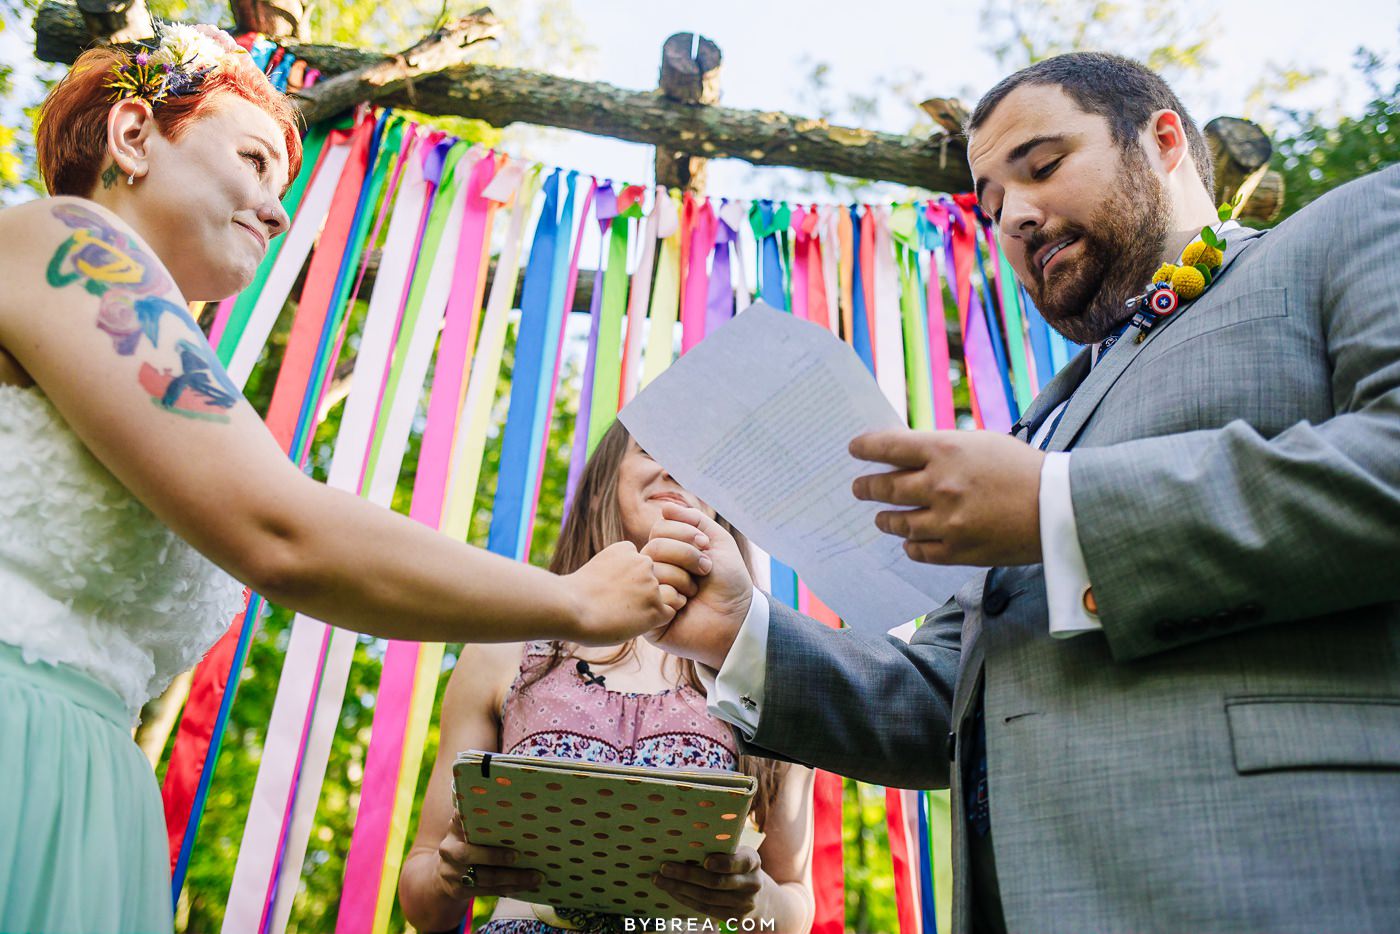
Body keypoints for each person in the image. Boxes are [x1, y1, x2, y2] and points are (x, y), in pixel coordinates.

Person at [643, 52, 1400, 934]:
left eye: (1042, 168)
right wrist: (739, 634)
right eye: (992, 206)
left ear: (1161, 140)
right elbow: (941, 699)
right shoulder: (1045, 420)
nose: (1018, 216)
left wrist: (1059, 504)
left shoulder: (1355, 226)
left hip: (1280, 880)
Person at [0, 25, 673, 932]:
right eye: (253, 161)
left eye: (283, 186)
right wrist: (575, 603)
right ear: (131, 137)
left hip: (84, 791)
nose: (278, 214)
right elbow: (283, 532)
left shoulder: (142, 347)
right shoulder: (66, 236)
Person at [398, 421, 815, 934]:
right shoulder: (503, 652)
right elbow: (421, 897)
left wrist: (758, 900)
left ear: (720, 507)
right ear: (605, 480)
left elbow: (795, 900)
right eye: (652, 448)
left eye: (696, 462)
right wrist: (449, 875)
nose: (673, 467)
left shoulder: (763, 671)